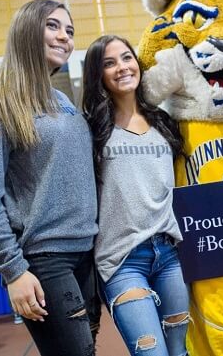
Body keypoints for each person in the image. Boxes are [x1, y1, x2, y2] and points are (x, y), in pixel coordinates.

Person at [0, 0, 100, 356]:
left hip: (86, 252)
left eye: (69, 31)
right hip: (45, 259)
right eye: (53, 26)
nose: (64, 37)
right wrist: (13, 271)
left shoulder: (62, 100)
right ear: (26, 31)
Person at [81, 35, 190, 355]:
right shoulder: (91, 130)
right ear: (97, 74)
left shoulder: (163, 121)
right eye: (109, 63)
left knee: (180, 351)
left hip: (169, 254)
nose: (122, 67)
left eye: (127, 58)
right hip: (122, 261)